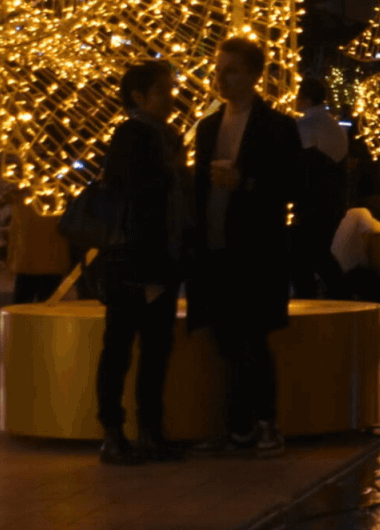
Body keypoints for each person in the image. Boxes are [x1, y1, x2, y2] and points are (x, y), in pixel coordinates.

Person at [188, 36, 301, 456]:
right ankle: (237, 428)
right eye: (218, 69)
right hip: (216, 249)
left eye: (232, 70)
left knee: (253, 339)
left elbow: (291, 184)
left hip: (256, 250)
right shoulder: (208, 127)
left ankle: (266, 423)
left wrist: (247, 184)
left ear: (254, 75)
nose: (221, 78)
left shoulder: (277, 126)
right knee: (227, 341)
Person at [94, 60, 189, 465]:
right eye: (163, 91)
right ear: (139, 96)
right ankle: (116, 432)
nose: (172, 98)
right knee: (123, 345)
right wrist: (169, 180)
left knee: (153, 347)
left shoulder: (164, 135)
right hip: (134, 260)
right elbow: (129, 192)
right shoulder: (132, 134)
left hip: (159, 257)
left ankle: (148, 430)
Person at [291, 77, 349, 299]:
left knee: (309, 252)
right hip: (331, 201)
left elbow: (304, 164)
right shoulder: (329, 122)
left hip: (316, 202)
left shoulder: (307, 124)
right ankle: (337, 295)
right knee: (315, 251)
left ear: (305, 99)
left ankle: (325, 295)